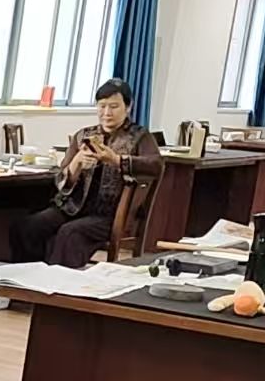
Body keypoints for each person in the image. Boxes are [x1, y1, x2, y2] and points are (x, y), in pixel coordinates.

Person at [10, 79, 160, 268]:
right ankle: (27, 278)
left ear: (128, 107)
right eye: (102, 106)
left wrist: (116, 159)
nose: (107, 113)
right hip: (72, 208)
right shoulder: (83, 135)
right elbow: (60, 180)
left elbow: (156, 165)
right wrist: (77, 162)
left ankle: (57, 283)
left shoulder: (140, 137)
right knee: (28, 226)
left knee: (69, 233)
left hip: (109, 215)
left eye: (114, 106)